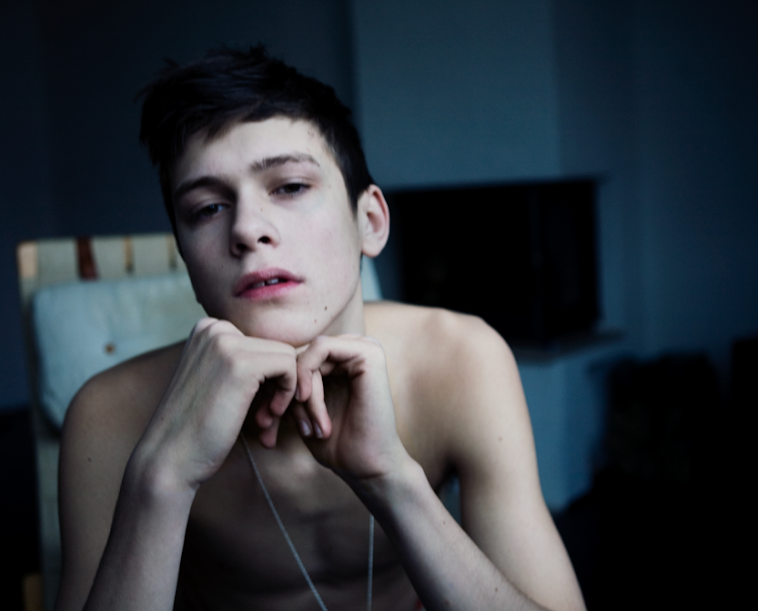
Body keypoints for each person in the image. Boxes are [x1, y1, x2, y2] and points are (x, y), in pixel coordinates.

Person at [55, 45, 586, 611]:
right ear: (186, 257)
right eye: (207, 208)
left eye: (289, 186)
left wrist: (393, 480)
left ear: (370, 221)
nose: (247, 229)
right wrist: (163, 478)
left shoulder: (458, 360)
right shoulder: (110, 415)